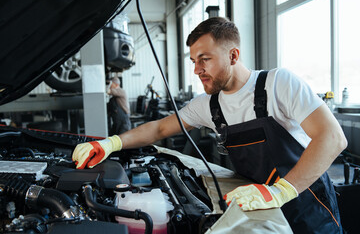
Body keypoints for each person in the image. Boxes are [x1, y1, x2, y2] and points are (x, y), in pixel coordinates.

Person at [72, 17, 347, 233]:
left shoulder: (278, 84)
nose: (196, 70)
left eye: (204, 59)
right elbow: (158, 129)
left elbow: (333, 138)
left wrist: (280, 191)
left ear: (233, 56)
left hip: (308, 206)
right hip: (257, 211)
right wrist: (111, 143)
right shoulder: (209, 105)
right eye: (193, 61)